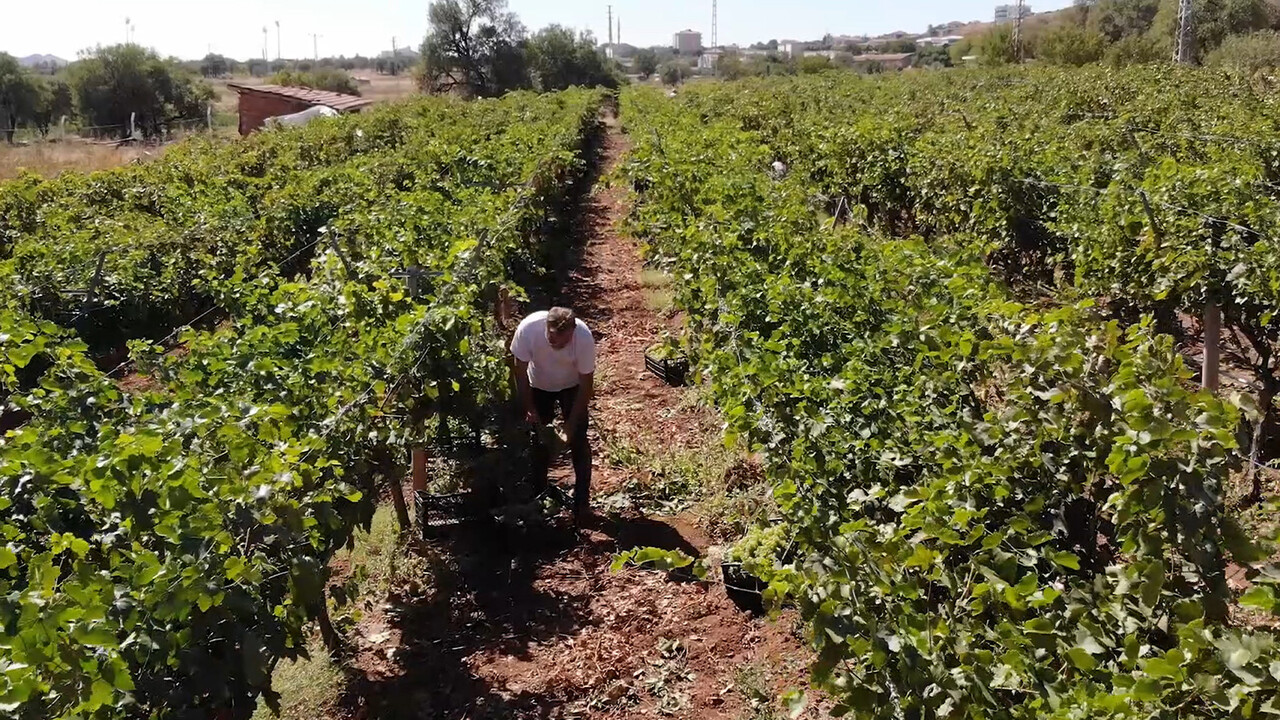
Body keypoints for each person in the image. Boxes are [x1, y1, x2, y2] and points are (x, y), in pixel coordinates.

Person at [510, 306, 595, 518]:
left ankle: (582, 501)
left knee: (578, 441)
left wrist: (570, 426)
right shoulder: (529, 329)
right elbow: (519, 371)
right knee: (539, 441)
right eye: (550, 336)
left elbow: (586, 385)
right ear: (546, 326)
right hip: (538, 384)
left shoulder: (583, 338)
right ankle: (539, 496)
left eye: (561, 339)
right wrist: (529, 407)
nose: (554, 341)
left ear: (572, 332)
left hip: (571, 385)